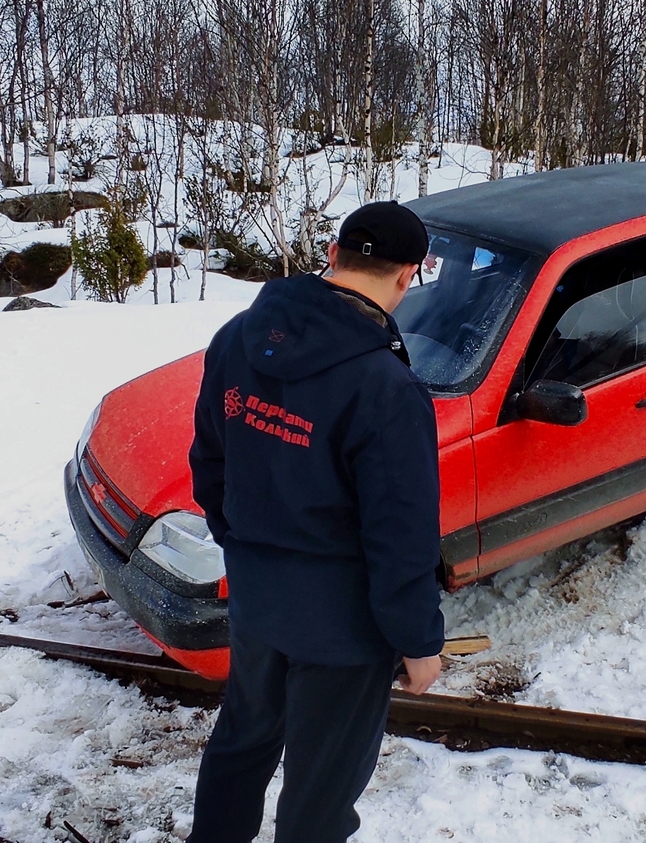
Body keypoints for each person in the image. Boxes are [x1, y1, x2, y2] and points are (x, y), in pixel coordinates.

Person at [186, 201, 446, 842]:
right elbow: (401, 533)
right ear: (407, 277)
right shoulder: (386, 387)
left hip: (257, 601)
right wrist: (418, 640)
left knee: (242, 742)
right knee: (321, 789)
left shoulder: (237, 338)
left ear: (333, 256)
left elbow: (209, 462)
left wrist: (247, 551)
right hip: (342, 630)